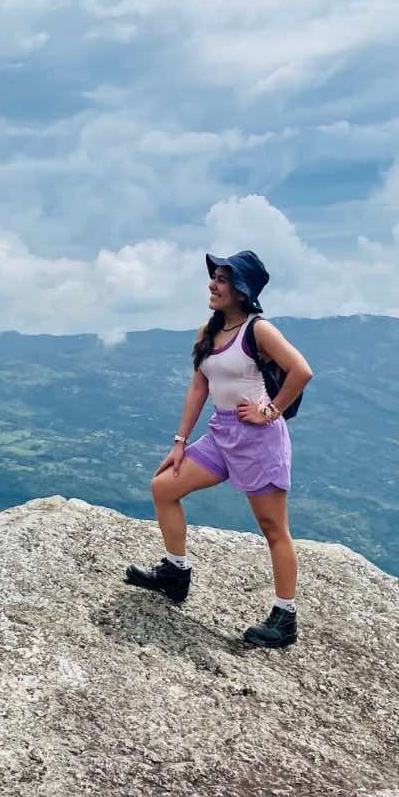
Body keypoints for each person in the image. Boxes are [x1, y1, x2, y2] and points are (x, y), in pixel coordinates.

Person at [124, 250, 314, 647]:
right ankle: (175, 575)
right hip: (221, 434)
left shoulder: (258, 331)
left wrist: (271, 410)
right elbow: (199, 388)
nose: (213, 284)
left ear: (242, 291)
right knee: (163, 487)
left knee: (273, 528)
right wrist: (180, 442)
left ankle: (285, 619)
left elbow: (302, 370)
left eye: (223, 280)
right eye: (214, 278)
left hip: (259, 440)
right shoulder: (208, 332)